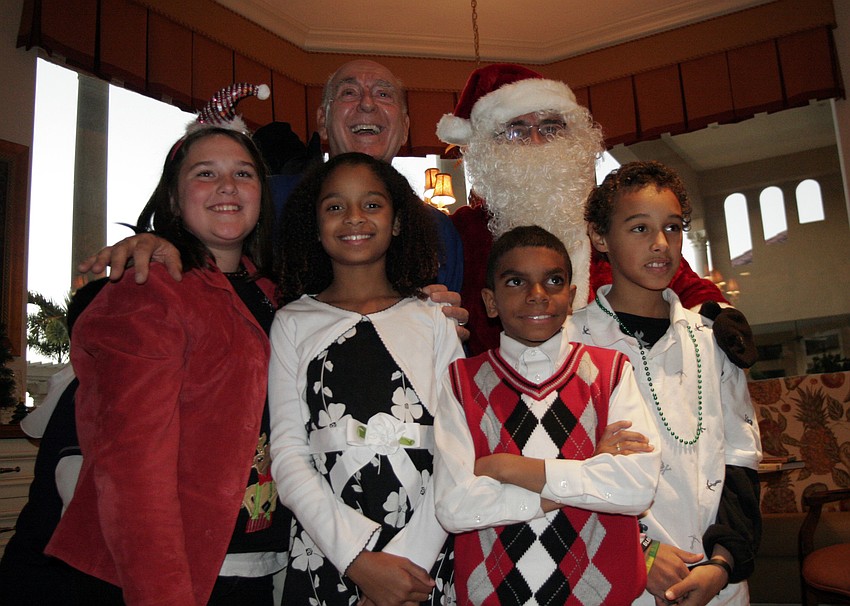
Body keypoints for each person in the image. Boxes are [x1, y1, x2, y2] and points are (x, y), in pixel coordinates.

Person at [44, 122, 290, 605]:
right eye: (205, 173)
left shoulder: (273, 296)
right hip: (173, 576)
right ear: (175, 200)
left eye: (243, 173)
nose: (227, 186)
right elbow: (132, 468)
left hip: (260, 565)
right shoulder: (150, 288)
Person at [436, 63, 756, 366]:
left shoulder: (604, 217)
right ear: (488, 147)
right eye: (517, 131)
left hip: (620, 396)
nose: (536, 142)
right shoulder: (462, 233)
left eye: (550, 128)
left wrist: (717, 314)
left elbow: (674, 275)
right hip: (505, 406)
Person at [78, 59, 466, 303]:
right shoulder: (265, 196)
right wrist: (159, 241)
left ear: (405, 126)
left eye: (383, 94)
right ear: (322, 121)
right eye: (349, 92)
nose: (367, 103)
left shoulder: (438, 229)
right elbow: (202, 246)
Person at [268, 152, 465, 605]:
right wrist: (358, 560)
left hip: (426, 557)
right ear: (315, 227)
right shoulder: (292, 322)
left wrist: (411, 560)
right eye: (335, 207)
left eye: (372, 204)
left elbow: (458, 448)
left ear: (397, 222)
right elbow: (289, 455)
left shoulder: (434, 319)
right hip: (328, 554)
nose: (354, 217)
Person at [567, 161, 762, 605]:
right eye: (639, 228)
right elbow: (559, 470)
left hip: (715, 582)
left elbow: (741, 460)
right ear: (599, 237)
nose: (660, 244)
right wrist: (640, 551)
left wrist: (722, 563)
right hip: (615, 573)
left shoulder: (712, 340)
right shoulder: (570, 344)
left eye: (672, 228)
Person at [433, 225, 661, 605]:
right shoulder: (461, 382)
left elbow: (636, 488)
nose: (537, 295)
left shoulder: (611, 372)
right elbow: (454, 507)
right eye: (516, 282)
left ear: (571, 297)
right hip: (495, 593)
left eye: (553, 281)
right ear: (489, 301)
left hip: (603, 594)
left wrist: (506, 468)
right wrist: (589, 467)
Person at [0, 279, 116, 606]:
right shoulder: (95, 391)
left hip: (31, 564)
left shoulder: (78, 380)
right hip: (54, 577)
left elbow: (33, 426)